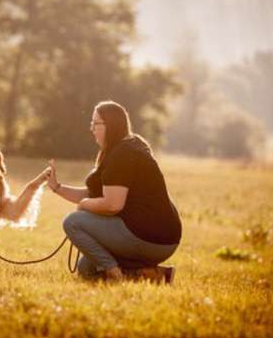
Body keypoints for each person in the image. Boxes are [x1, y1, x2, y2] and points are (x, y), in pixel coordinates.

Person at [46, 100, 182, 282]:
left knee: (72, 222)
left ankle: (115, 274)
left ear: (111, 125)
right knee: (86, 268)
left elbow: (112, 205)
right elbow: (94, 195)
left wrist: (83, 205)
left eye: (96, 123)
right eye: (91, 123)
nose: (92, 128)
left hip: (151, 236)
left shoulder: (123, 155)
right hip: (156, 236)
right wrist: (57, 187)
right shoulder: (124, 147)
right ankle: (155, 275)